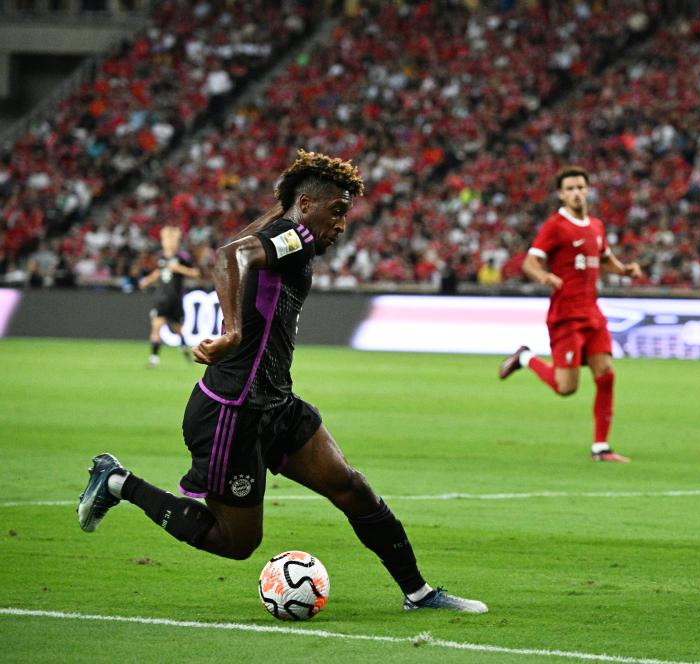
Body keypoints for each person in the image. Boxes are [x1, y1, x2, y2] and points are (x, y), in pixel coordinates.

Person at [78, 150, 486, 614]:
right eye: (338, 211)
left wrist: (283, 206)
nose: (343, 224)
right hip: (234, 411)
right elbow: (231, 255)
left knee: (351, 486)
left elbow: (242, 246)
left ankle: (419, 594)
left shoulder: (288, 230)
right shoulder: (296, 234)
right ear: (308, 205)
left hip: (275, 402)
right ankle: (117, 482)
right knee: (236, 541)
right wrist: (232, 331)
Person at [498, 166, 642, 462]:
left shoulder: (596, 226)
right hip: (566, 316)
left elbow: (604, 258)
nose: (577, 193)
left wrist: (625, 269)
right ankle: (525, 357)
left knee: (606, 374)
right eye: (570, 189)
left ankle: (601, 447)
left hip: (592, 313)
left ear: (587, 190)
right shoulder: (555, 226)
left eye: (581, 187)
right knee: (567, 388)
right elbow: (529, 262)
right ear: (561, 194)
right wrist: (545, 277)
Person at [138, 226, 200, 366]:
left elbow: (196, 273)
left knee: (178, 329)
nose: (169, 242)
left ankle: (184, 349)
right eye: (167, 239)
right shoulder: (160, 257)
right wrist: (147, 281)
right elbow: (158, 273)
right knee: (156, 325)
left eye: (172, 239)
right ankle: (154, 358)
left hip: (176, 298)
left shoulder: (182, 257)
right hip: (161, 297)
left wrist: (180, 269)